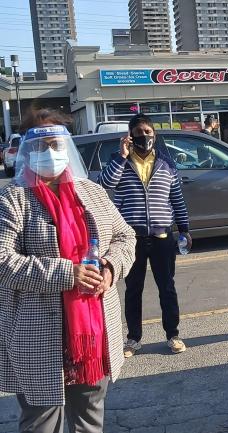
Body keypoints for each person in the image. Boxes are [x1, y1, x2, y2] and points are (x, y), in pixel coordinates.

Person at [0, 108, 136, 433]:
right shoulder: (13, 198)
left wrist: (109, 266)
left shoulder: (91, 192)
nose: (50, 151)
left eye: (57, 143)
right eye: (41, 144)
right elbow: (3, 261)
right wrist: (68, 273)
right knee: (41, 423)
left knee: (90, 419)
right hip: (39, 335)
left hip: (92, 333)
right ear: (27, 150)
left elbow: (125, 235)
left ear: (68, 147)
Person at [98, 113, 191, 357]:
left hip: (162, 237)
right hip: (131, 239)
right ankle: (133, 339)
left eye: (148, 132)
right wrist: (121, 155)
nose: (144, 137)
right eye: (138, 133)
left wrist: (184, 229)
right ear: (130, 137)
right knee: (133, 289)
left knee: (167, 287)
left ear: (155, 134)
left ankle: (173, 335)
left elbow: (177, 200)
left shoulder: (167, 164)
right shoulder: (120, 162)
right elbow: (105, 182)